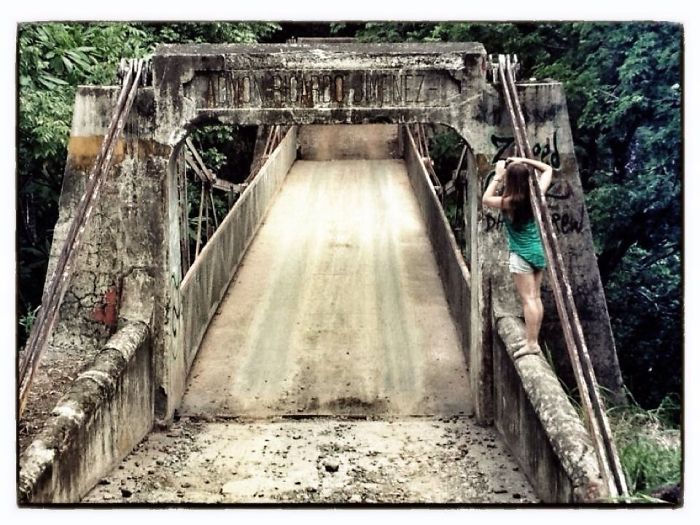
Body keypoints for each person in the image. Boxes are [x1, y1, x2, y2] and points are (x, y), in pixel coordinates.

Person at [482, 156, 554, 359]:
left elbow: (485, 199)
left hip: (521, 255)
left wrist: (498, 176)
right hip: (537, 252)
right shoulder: (535, 196)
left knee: (527, 300)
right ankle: (533, 338)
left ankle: (531, 343)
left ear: (510, 181)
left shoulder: (509, 202)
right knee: (535, 298)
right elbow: (548, 169)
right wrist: (523, 160)